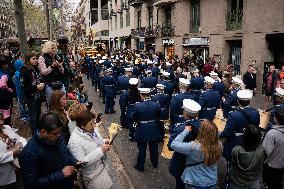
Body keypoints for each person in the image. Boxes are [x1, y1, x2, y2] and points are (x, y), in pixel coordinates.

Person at [19, 112, 78, 189]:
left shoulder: (57, 135)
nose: (59, 135)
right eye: (56, 133)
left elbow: (65, 152)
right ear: (43, 132)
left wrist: (75, 162)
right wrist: (61, 174)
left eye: (60, 132)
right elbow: (31, 184)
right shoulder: (29, 153)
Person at [68, 110, 113, 189]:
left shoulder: (91, 129)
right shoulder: (74, 142)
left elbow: (96, 141)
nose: (94, 125)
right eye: (91, 123)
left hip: (101, 167)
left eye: (94, 122)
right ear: (82, 125)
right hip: (91, 175)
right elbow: (81, 163)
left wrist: (104, 141)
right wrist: (101, 150)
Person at [171, 120, 222, 189]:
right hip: (211, 180)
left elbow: (174, 144)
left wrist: (185, 131)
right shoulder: (219, 145)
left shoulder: (194, 147)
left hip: (196, 181)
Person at [168, 99, 201, 189]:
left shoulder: (180, 128)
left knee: (180, 182)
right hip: (198, 160)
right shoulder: (203, 126)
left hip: (181, 160)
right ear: (197, 114)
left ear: (185, 114)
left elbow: (170, 146)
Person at [220, 89, 260, 161]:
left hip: (236, 143)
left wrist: (219, 135)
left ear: (238, 101)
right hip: (250, 141)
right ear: (249, 101)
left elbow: (227, 133)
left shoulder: (233, 114)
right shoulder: (256, 113)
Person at [132, 88, 161, 172]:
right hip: (153, 128)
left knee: (142, 149)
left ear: (141, 95)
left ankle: (140, 166)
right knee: (154, 148)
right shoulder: (156, 104)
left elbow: (133, 118)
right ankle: (155, 163)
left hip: (141, 129)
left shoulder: (137, 106)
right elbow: (160, 115)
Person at [229, 124, 264, 189]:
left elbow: (232, 165)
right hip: (253, 181)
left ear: (244, 137)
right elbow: (260, 168)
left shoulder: (236, 151)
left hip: (237, 182)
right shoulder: (261, 152)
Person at [0, 113, 26, 188]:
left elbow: (22, 140)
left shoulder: (7, 128)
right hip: (4, 176)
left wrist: (20, 145)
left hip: (18, 168)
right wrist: (12, 153)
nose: (1, 123)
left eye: (2, 120)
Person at [22, 52, 45, 134]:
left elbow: (40, 79)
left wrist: (42, 84)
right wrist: (36, 87)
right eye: (33, 59)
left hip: (38, 96)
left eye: (36, 59)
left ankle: (38, 131)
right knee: (33, 116)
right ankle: (34, 134)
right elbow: (25, 87)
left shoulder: (36, 69)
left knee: (38, 114)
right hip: (31, 97)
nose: (36, 60)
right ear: (28, 60)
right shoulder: (25, 70)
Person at [262, 109, 284, 189]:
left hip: (271, 166)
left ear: (275, 119)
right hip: (282, 165)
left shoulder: (271, 134)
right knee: (278, 183)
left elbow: (267, 151)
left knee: (269, 184)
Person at [38, 41, 65, 105]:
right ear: (47, 48)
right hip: (49, 84)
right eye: (52, 48)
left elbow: (62, 72)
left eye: (54, 48)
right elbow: (44, 72)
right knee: (51, 104)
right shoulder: (42, 58)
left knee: (62, 103)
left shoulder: (57, 57)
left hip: (59, 83)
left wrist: (59, 66)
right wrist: (52, 66)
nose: (54, 50)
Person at [13, 55, 29, 121]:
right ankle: (23, 115)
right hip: (20, 91)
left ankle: (25, 113)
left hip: (20, 91)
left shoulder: (17, 72)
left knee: (23, 103)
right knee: (21, 104)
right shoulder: (18, 73)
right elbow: (21, 83)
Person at [0, 55, 14, 125]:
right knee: (6, 114)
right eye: (6, 64)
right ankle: (7, 128)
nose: (8, 66)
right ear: (3, 65)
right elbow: (2, 85)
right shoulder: (4, 74)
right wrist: (9, 90)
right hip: (5, 98)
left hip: (3, 98)